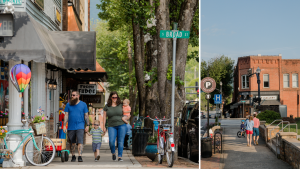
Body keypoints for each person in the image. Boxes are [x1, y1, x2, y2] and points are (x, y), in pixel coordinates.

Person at [63, 91, 89, 162]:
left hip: (80, 125)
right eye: (71, 95)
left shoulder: (83, 104)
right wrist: (64, 125)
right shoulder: (68, 104)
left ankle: (80, 156)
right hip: (71, 126)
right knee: (72, 142)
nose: (72, 96)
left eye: (74, 95)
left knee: (80, 141)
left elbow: (86, 115)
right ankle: (73, 156)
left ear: (78, 96)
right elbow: (66, 115)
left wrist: (88, 125)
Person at [103, 91, 127, 162]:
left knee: (120, 142)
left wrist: (126, 118)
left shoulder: (121, 105)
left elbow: (127, 112)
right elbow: (104, 117)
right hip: (111, 126)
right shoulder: (107, 106)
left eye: (116, 97)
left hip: (121, 125)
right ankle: (113, 153)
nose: (114, 98)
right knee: (111, 141)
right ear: (111, 97)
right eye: (113, 97)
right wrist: (104, 126)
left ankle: (120, 157)